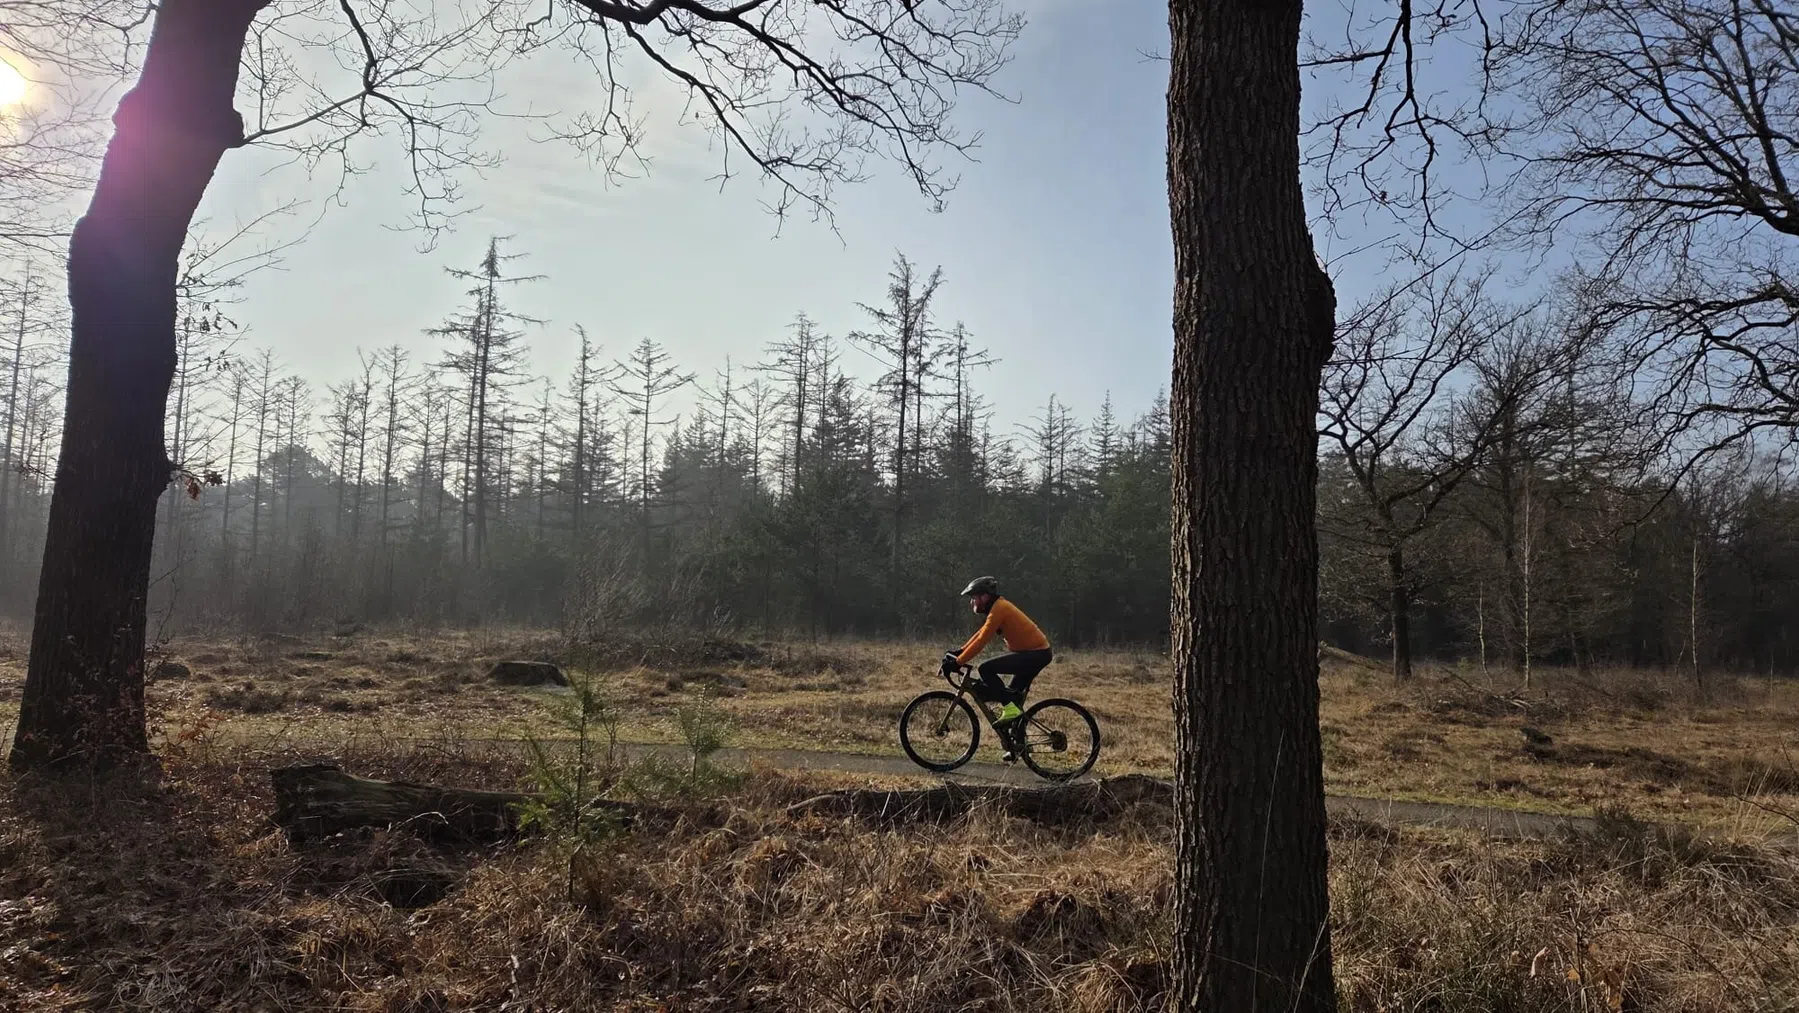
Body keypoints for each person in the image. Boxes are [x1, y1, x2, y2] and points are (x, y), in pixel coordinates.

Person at [942, 575, 1052, 729]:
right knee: (1012, 701)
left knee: (986, 669)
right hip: (1032, 653)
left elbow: (981, 641)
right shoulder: (997, 608)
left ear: (985, 596)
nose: (972, 602)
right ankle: (1018, 745)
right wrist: (960, 651)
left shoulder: (1000, 609)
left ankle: (1010, 709)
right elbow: (981, 634)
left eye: (974, 597)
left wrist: (958, 662)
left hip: (1035, 654)